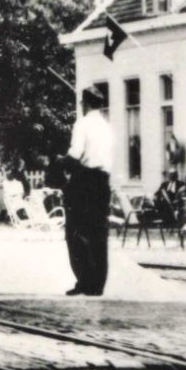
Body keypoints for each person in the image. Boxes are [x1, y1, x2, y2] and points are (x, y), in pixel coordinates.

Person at [63, 88, 113, 296]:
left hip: (85, 180)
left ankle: (85, 280)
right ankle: (98, 284)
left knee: (75, 231)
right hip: (103, 181)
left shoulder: (82, 124)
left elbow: (76, 152)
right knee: (99, 233)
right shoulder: (107, 126)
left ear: (85, 104)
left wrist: (63, 164)